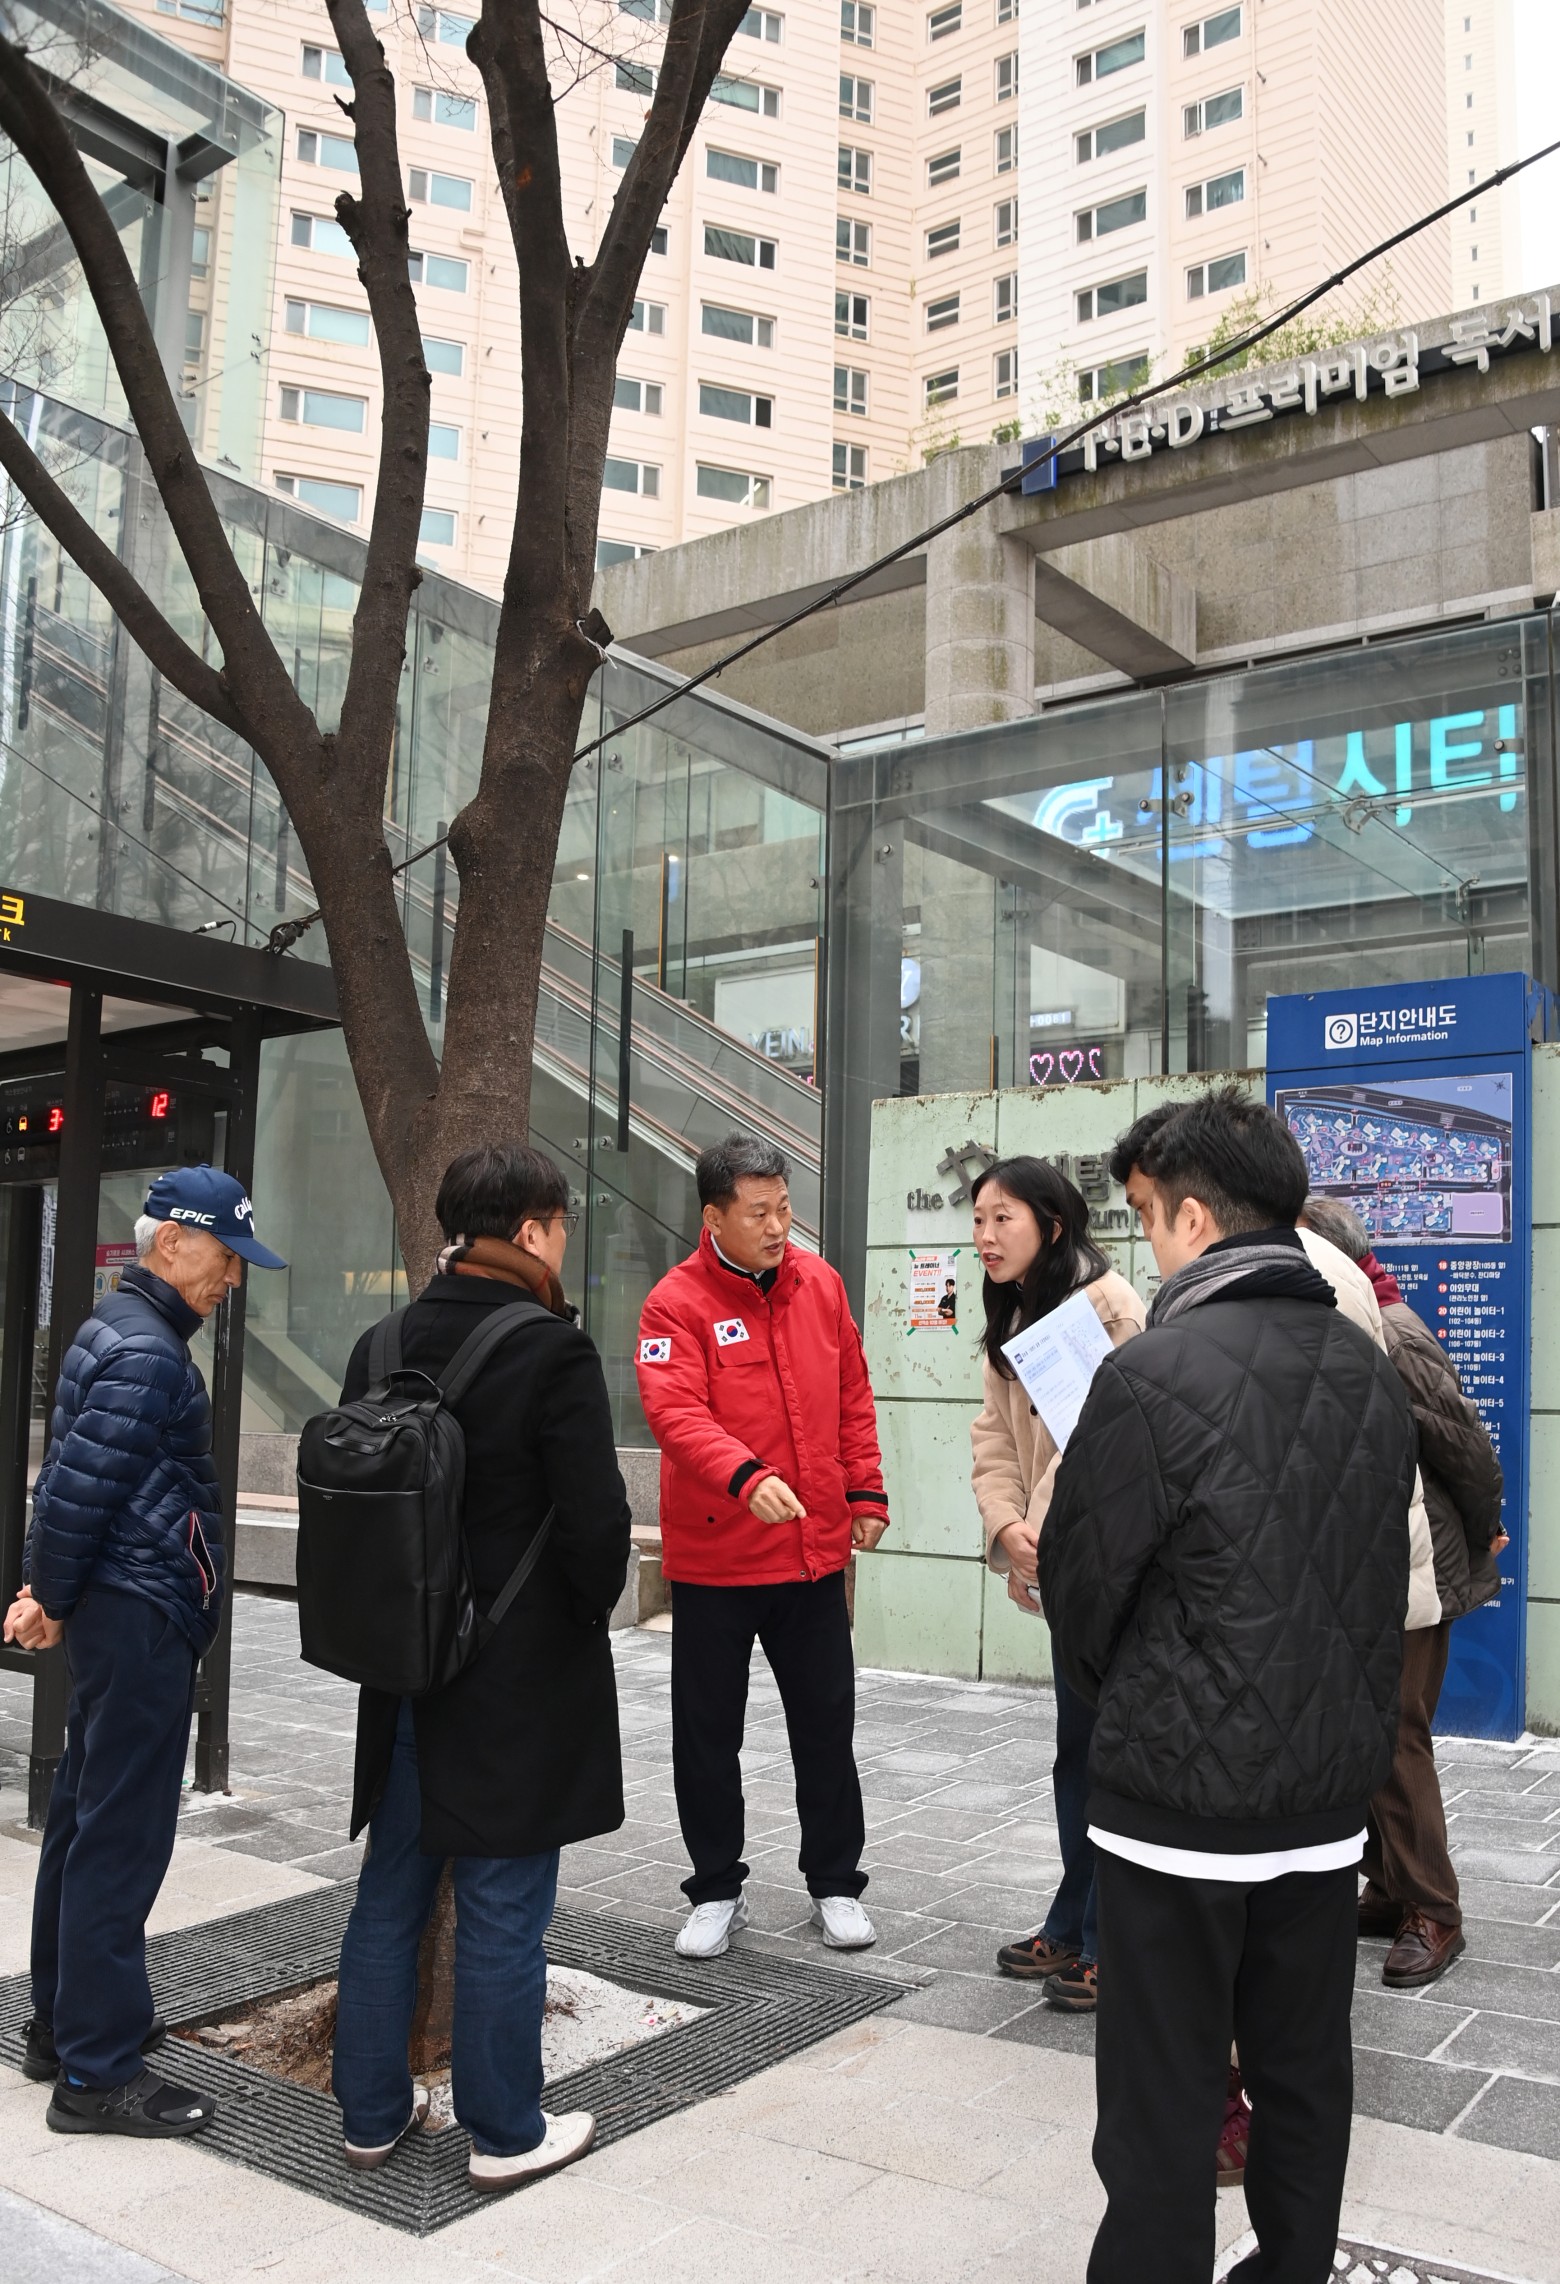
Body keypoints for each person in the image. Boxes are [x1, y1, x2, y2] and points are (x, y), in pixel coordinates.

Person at [1038, 1088, 1415, 2284]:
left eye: (1150, 1216)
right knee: (1304, 2074)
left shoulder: (1151, 1372)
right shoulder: (1368, 1367)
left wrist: (1141, 1706)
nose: (1150, 1242)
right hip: (1323, 1809)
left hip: (1175, 1816)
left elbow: (1080, 1593)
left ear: (1194, 1217)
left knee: (1165, 2096)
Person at [331, 1144, 630, 2194]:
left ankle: (370, 2115)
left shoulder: (380, 1342)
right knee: (504, 1903)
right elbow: (597, 1529)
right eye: (562, 1224)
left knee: (391, 1893)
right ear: (535, 1230)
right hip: (517, 1678)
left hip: (404, 1669)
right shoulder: (551, 1350)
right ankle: (504, 2130)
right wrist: (578, 1615)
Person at [4, 1166, 286, 2138]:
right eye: (224, 1257)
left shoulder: (114, 1330)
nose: (232, 1279)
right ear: (171, 1242)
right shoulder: (149, 1354)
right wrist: (50, 1595)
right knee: (120, 1839)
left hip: (116, 1608)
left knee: (85, 1822)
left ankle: (64, 2026)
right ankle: (98, 2072)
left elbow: (67, 1480)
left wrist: (49, 1592)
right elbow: (77, 1489)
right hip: (140, 1613)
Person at [636, 1134, 890, 1959]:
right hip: (717, 1562)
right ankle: (716, 1890)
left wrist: (865, 1491)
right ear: (714, 1218)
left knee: (826, 1728)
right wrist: (744, 1476)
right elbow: (674, 1413)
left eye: (784, 1208)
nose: (779, 1227)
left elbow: (852, 1393)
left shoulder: (821, 1285)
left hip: (812, 1556)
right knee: (708, 1737)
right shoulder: (673, 1305)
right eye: (759, 1214)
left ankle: (835, 1883)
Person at [1300, 1192, 1504, 1989]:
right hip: (1361, 1562)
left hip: (1418, 1558)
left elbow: (1465, 1447)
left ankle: (1434, 1909)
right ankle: (1389, 1886)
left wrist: (1485, 1530)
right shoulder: (1335, 1324)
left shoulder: (1392, 1328)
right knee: (1361, 1733)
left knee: (1395, 1734)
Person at [968, 1156, 1144, 2014]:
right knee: (1077, 1755)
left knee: (1111, 1757)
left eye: (1003, 1218)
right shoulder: (1013, 1314)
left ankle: (1113, 1940)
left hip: (1110, 1573)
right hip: (1058, 1567)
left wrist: (1037, 1532)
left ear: (1055, 1224)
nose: (985, 1236)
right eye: (977, 1220)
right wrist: (1007, 1528)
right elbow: (994, 1442)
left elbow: (1101, 1444)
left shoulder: (1108, 1309)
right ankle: (1074, 1919)